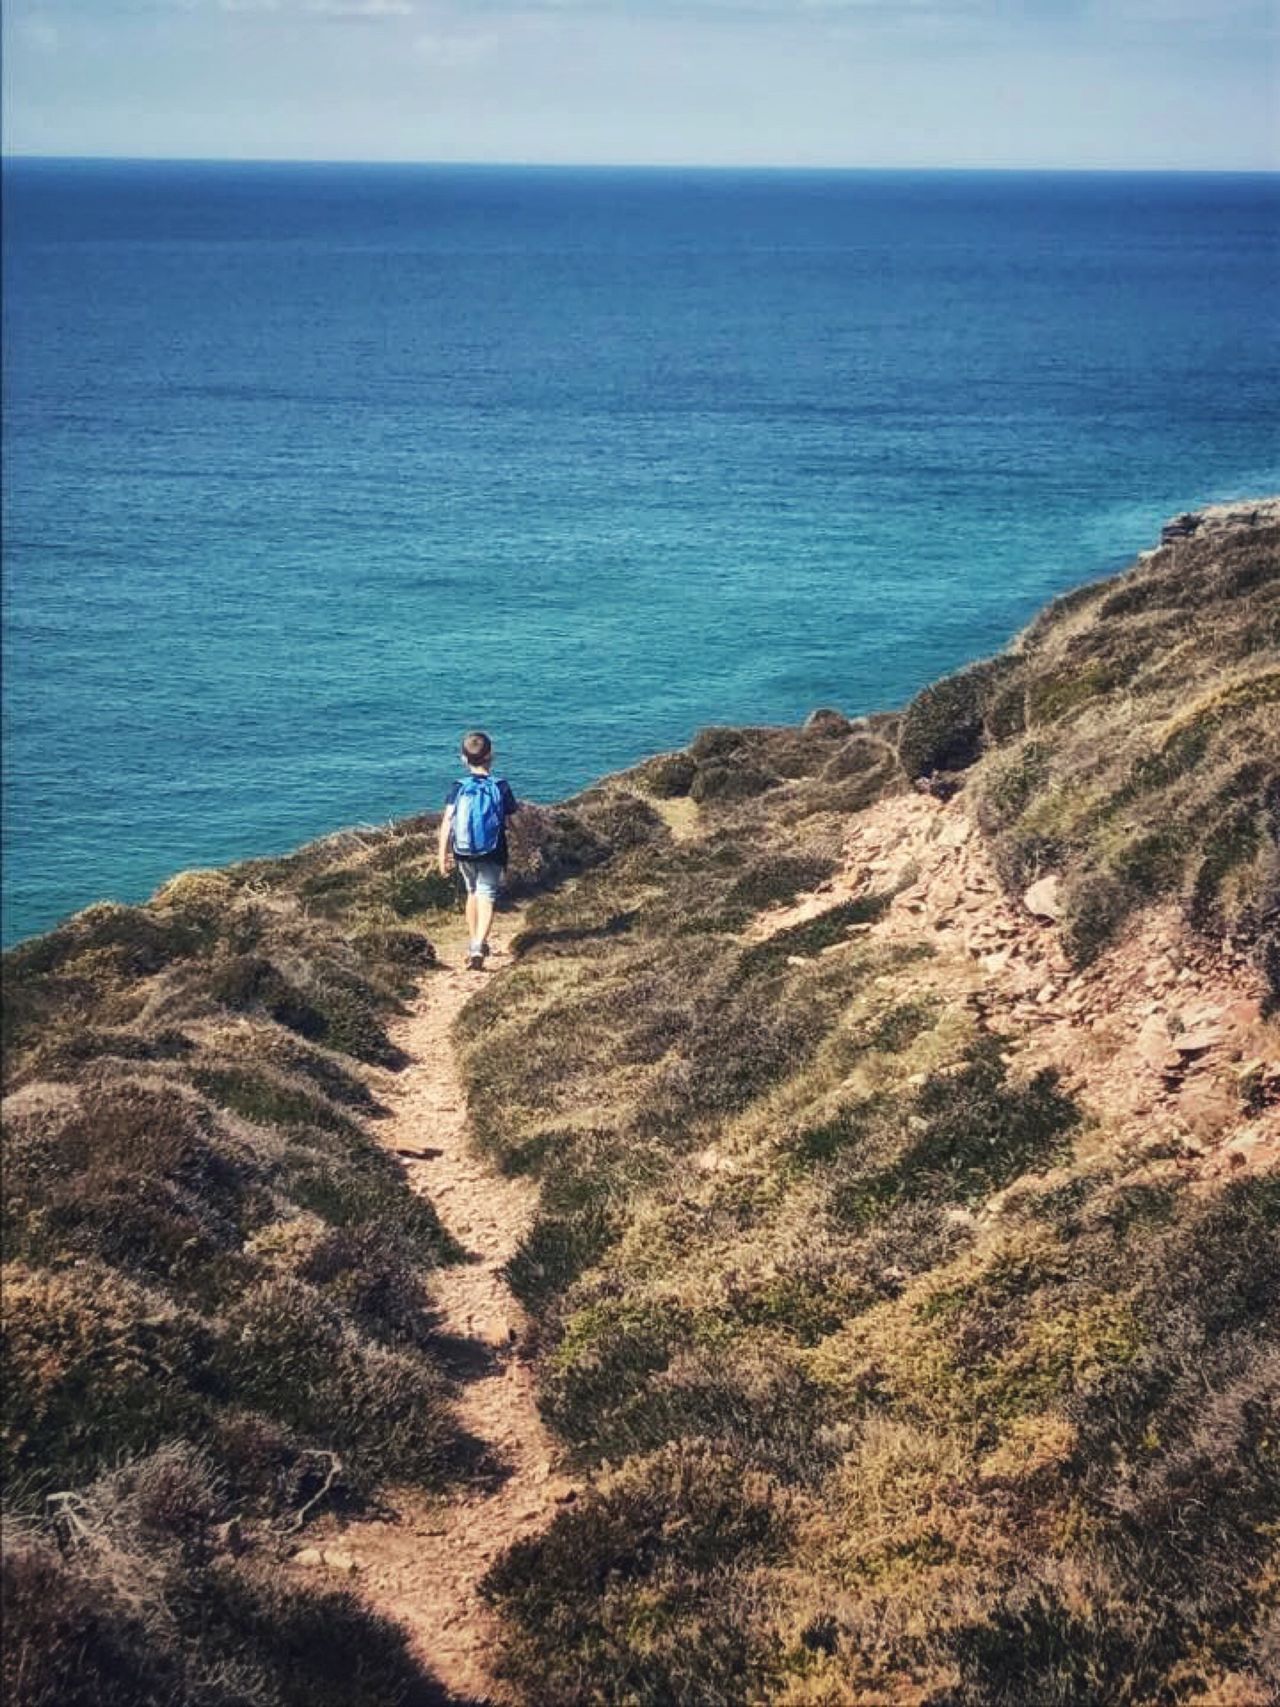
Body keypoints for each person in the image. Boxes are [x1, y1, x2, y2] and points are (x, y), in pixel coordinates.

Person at [437, 730, 520, 971]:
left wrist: (442, 857)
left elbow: (447, 822)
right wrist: (524, 844)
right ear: (491, 756)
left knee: (472, 892)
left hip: (462, 851)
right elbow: (512, 821)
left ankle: (474, 942)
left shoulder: (458, 787)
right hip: (493, 850)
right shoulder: (501, 786)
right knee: (487, 894)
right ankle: (478, 944)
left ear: (463, 758)